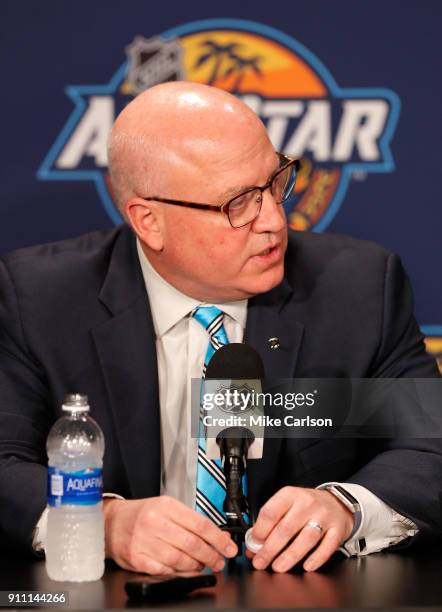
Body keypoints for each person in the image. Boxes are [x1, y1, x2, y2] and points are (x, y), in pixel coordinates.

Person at [0, 82, 440, 576]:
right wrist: (101, 520)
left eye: (275, 184)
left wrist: (347, 506)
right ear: (149, 221)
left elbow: (430, 443)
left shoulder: (357, 290)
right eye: (239, 203)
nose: (274, 220)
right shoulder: (38, 300)